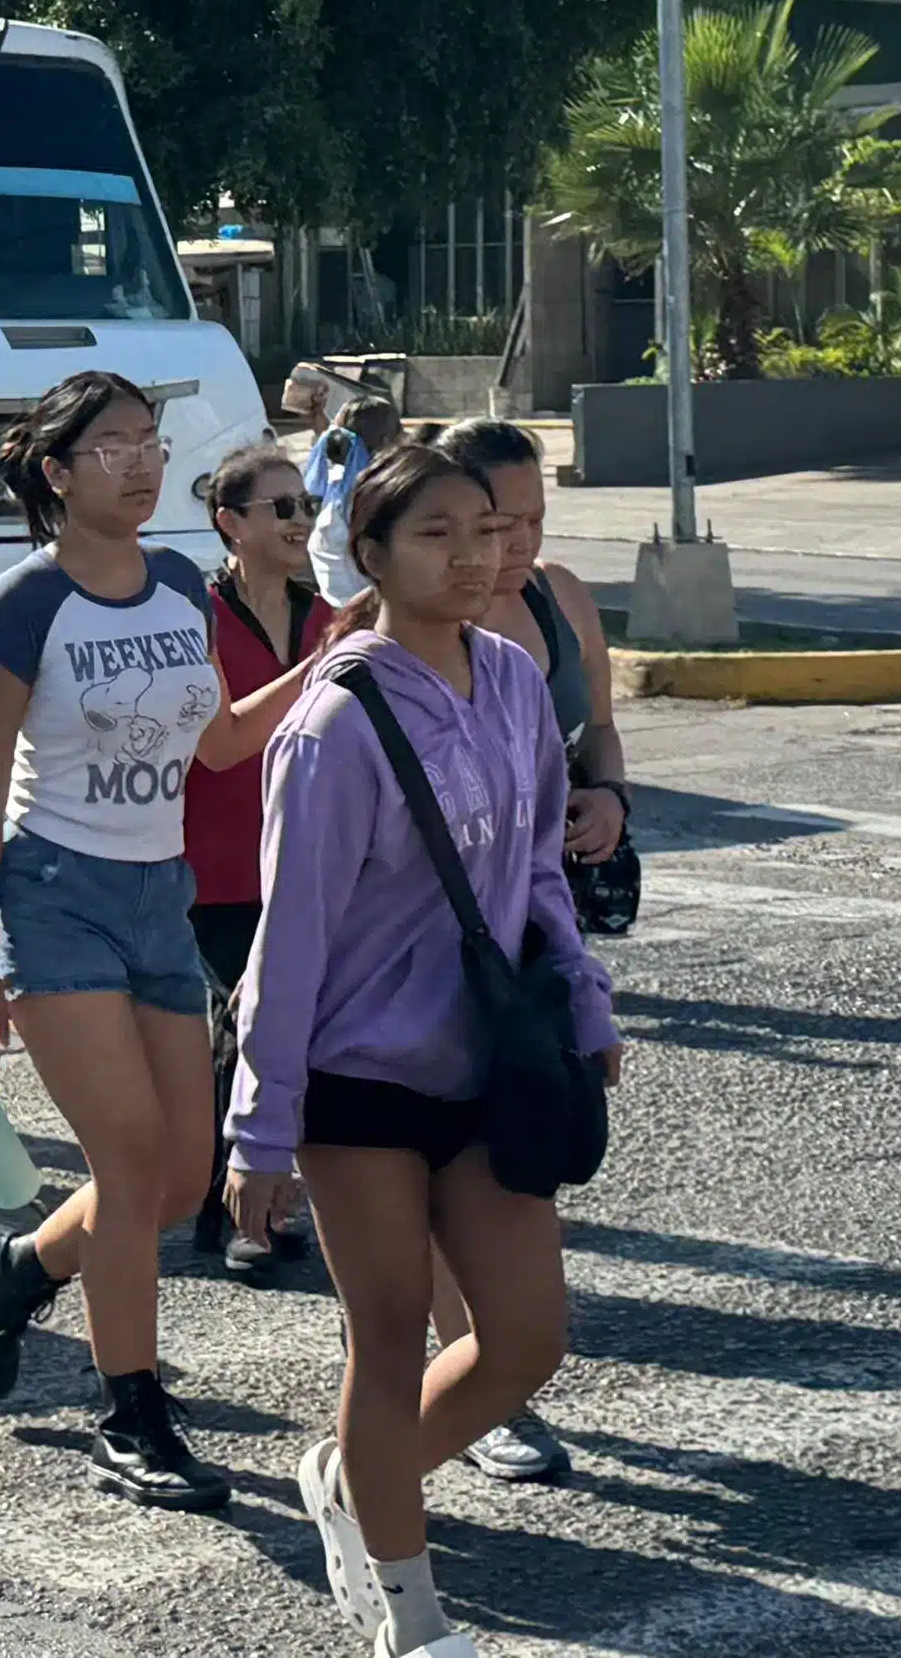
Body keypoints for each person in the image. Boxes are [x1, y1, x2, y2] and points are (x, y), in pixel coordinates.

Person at [239, 441, 621, 1658]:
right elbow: (285, 939)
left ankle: (355, 1479)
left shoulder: (513, 679)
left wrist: (584, 1004)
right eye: (437, 535)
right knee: (389, 1328)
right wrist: (258, 1131)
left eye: (490, 529)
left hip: (487, 1063)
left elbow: (533, 877)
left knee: (523, 1338)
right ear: (369, 556)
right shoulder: (333, 722)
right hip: (355, 1076)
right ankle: (410, 1615)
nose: (475, 556)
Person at [0, 371, 304, 1510]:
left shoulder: (180, 584)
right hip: (53, 896)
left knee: (174, 1176)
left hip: (160, 891)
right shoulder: (21, 605)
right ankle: (131, 1413)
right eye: (111, 448)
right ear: (57, 474)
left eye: (149, 444)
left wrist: (337, 663)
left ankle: (18, 1267)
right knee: (128, 1156)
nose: (141, 465)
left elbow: (217, 745)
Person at [426, 417, 638, 1476]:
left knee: (517, 1134)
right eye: (493, 522)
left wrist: (606, 795)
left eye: (531, 520)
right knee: (435, 1142)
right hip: (431, 922)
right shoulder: (414, 621)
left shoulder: (555, 598)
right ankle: (464, 1372)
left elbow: (595, 725)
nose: (513, 544)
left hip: (533, 909)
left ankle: (488, 1354)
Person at [185, 440, 333, 1279]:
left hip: (306, 861)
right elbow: (217, 746)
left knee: (299, 1035)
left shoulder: (323, 615)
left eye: (306, 506)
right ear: (230, 523)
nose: (299, 522)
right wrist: (321, 669)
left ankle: (264, 1199)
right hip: (214, 865)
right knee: (241, 1036)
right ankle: (240, 1210)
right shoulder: (196, 616)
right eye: (281, 508)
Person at [300, 395, 398, 607]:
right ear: (387, 443)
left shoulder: (327, 494)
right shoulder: (381, 504)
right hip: (372, 617)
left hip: (335, 616)